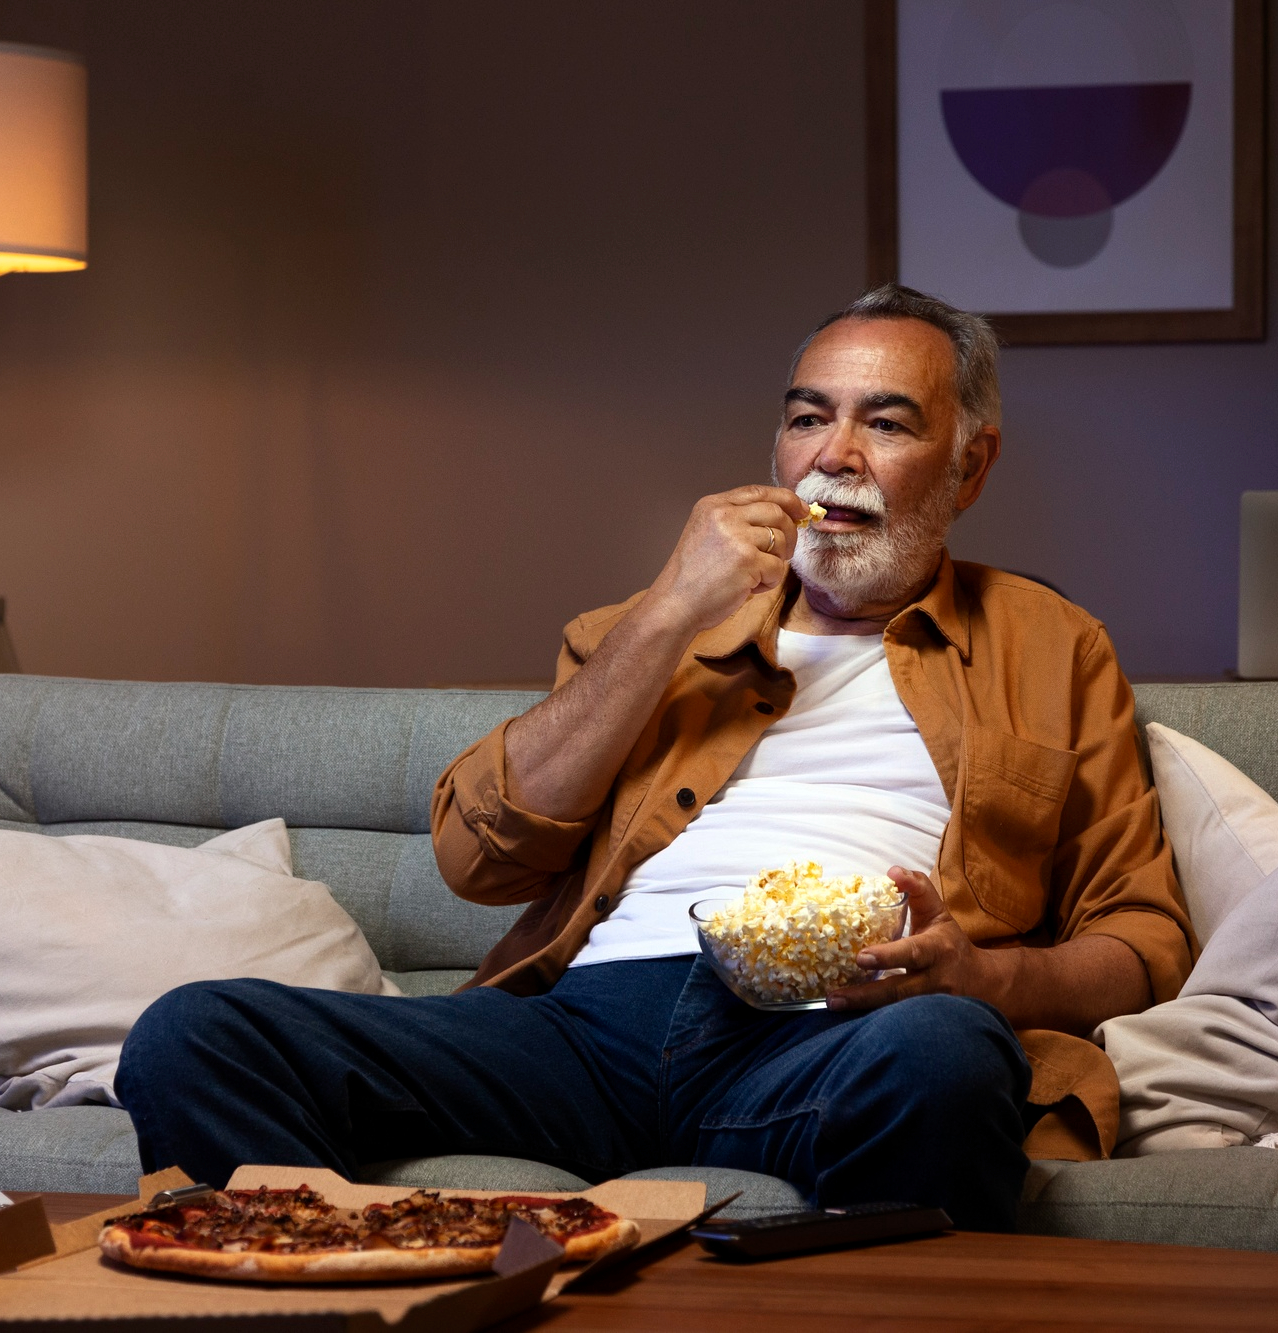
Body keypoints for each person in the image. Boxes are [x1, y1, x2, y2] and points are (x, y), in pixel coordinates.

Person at [118, 285, 1195, 1230]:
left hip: (831, 1043)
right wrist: (673, 604)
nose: (835, 455)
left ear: (969, 463)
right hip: (579, 1034)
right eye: (807, 417)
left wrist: (979, 977)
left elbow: (1141, 940)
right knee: (195, 1034)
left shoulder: (1052, 646)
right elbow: (472, 858)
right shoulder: (642, 628)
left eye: (887, 422)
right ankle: (352, 1293)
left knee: (948, 1058)